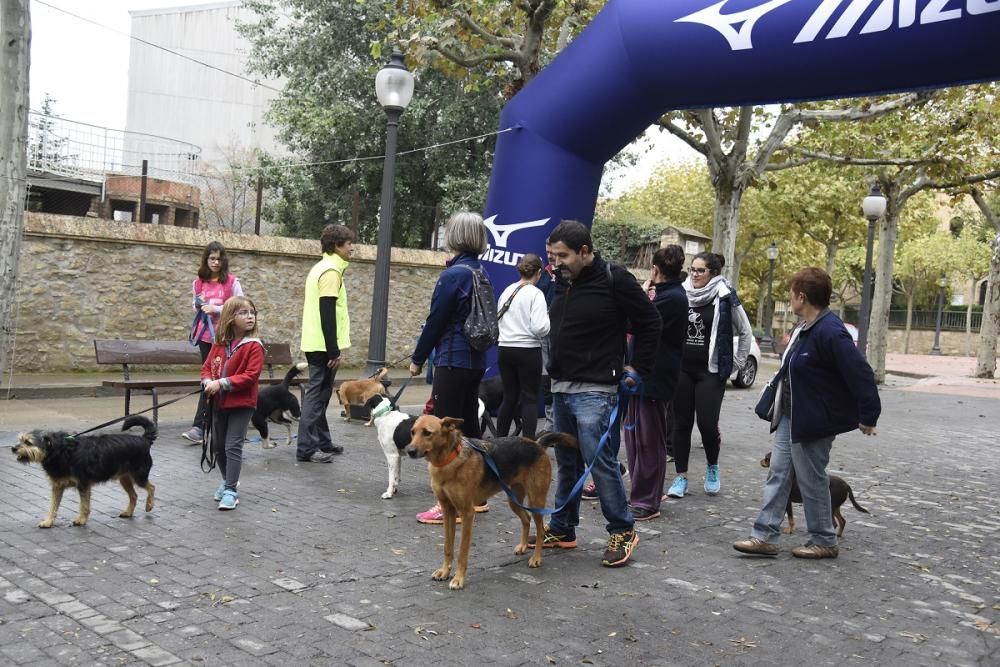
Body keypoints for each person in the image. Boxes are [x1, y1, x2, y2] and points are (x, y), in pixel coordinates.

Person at [529, 220, 661, 568]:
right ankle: (563, 528)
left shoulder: (614, 280)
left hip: (596, 391)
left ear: (585, 252)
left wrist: (638, 368)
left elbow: (651, 323)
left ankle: (622, 529)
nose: (555, 263)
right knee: (567, 462)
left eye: (563, 256)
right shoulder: (560, 282)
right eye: (551, 255)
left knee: (600, 463)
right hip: (561, 387)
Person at [734, 267, 880, 559]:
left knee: (811, 478)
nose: (790, 300)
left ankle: (824, 540)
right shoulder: (805, 327)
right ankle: (764, 535)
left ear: (802, 297)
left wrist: (869, 414)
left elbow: (860, 372)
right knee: (779, 472)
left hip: (815, 420)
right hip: (791, 415)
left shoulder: (830, 331)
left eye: (792, 295)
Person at [409, 211, 493, 524]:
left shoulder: (453, 275)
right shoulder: (480, 272)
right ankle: (477, 495)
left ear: (454, 237)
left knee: (445, 434)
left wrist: (418, 357)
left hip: (452, 357)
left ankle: (449, 505)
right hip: (475, 360)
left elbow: (436, 321)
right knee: (470, 428)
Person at [666, 252, 752, 499]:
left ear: (713, 273)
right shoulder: (681, 293)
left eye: (700, 271)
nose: (694, 274)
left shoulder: (725, 296)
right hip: (682, 368)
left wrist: (735, 364)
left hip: (710, 372)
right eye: (692, 269)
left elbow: (745, 332)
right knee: (681, 424)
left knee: (706, 423)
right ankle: (681, 477)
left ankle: (712, 468)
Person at [623, 245, 688, 521]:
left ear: (655, 269)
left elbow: (637, 321)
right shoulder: (665, 294)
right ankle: (641, 492)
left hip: (655, 377)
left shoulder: (671, 298)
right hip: (642, 375)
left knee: (649, 440)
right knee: (635, 437)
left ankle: (648, 499)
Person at [296, 224, 355, 464]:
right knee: (315, 395)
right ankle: (307, 448)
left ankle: (322, 441)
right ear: (336, 246)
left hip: (316, 342)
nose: (352, 247)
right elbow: (327, 311)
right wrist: (333, 348)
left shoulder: (322, 267)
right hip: (323, 345)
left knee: (321, 394)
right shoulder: (331, 271)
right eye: (348, 243)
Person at [201, 296, 264, 511]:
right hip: (218, 403)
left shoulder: (254, 346)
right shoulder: (219, 345)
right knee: (218, 447)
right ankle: (227, 480)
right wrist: (208, 381)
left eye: (252, 313)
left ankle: (231, 491)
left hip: (242, 403)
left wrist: (222, 383)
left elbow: (250, 376)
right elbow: (207, 367)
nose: (250, 317)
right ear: (230, 317)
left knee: (232, 446)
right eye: (243, 313)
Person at [182, 241, 243, 444]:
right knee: (208, 379)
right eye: (212, 258)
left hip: (225, 337)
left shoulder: (232, 282)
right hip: (205, 338)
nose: (215, 262)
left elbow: (240, 306)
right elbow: (195, 304)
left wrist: (215, 309)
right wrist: (200, 306)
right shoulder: (198, 283)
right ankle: (200, 426)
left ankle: (210, 425)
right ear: (206, 259)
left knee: (220, 379)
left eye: (219, 258)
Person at [495, 253, 550, 439]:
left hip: (505, 349)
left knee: (509, 397)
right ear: (539, 272)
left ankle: (499, 440)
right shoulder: (536, 294)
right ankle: (528, 444)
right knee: (529, 399)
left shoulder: (507, 291)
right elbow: (540, 327)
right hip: (528, 351)